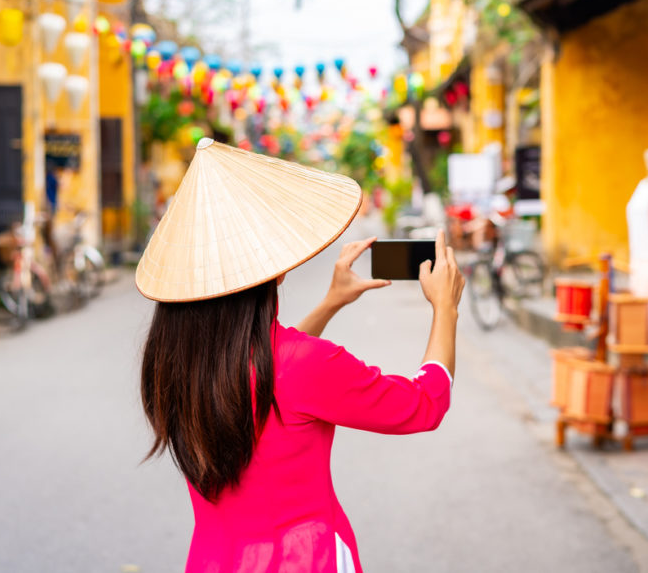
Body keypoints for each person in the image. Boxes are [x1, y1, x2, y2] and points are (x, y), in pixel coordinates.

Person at [136, 138, 465, 573]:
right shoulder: (305, 364)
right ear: (269, 271)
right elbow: (424, 405)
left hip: (213, 559)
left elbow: (264, 372)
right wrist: (445, 309)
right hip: (302, 560)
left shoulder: (173, 364)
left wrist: (330, 303)